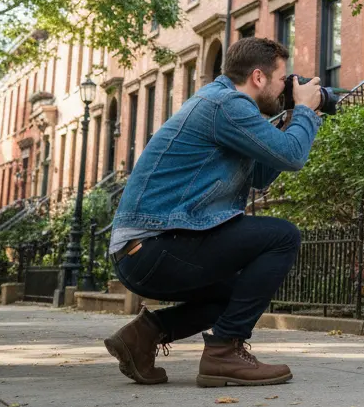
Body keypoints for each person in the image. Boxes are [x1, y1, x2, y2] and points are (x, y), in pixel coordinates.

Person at [103, 37, 324, 388]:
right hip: (152, 245)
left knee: (236, 293)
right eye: (283, 80)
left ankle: (142, 336)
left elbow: (265, 173)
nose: (287, 87)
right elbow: (293, 156)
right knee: (283, 236)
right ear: (258, 77)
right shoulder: (228, 105)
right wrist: (308, 112)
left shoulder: (228, 106)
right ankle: (223, 351)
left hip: (149, 248)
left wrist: (294, 117)